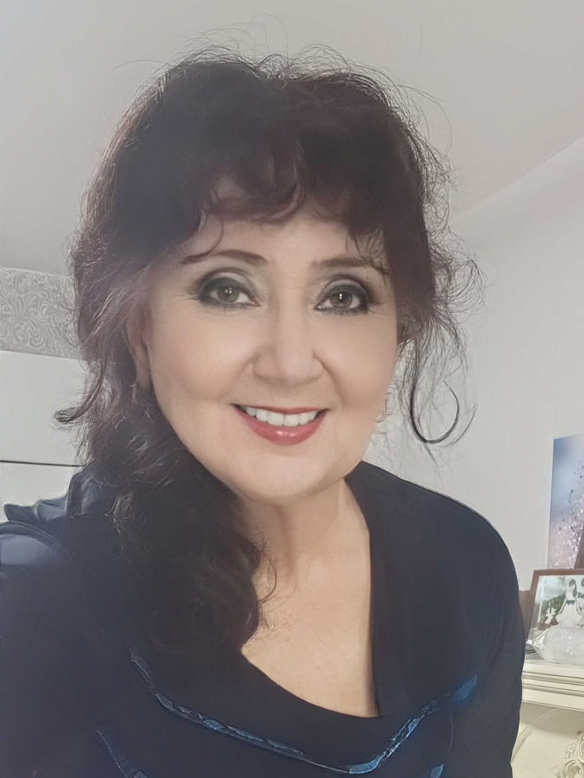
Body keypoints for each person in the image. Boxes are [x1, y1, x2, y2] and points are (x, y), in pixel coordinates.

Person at [0, 45, 525, 778]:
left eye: (344, 295)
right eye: (227, 288)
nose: (290, 361)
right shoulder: (38, 608)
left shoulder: (469, 565)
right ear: (141, 330)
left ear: (395, 334)